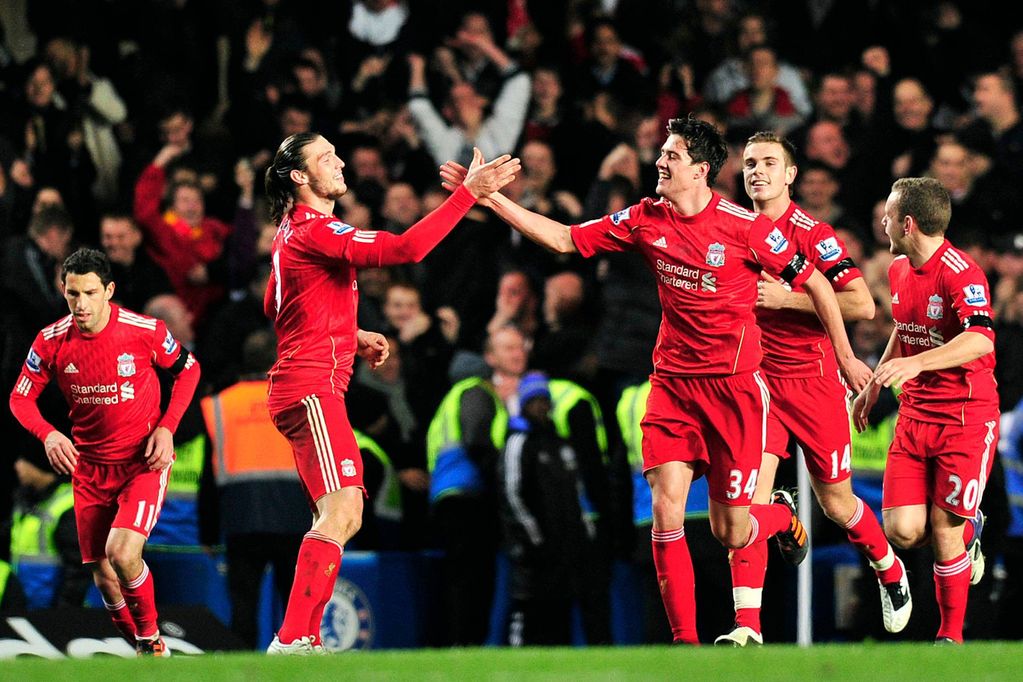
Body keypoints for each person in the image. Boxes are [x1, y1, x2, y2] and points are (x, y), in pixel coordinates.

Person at [441, 115, 872, 643]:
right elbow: (564, 238)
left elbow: (822, 289)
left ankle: (779, 516)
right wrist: (490, 201)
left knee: (731, 530)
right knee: (666, 508)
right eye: (662, 153)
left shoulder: (747, 228)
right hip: (672, 386)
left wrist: (846, 358)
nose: (660, 162)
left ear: (701, 170)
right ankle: (684, 644)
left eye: (671, 156)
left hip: (735, 392)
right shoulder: (646, 218)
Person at [261, 132, 518, 654]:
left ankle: (299, 637)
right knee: (344, 512)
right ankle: (294, 638)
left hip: (304, 384)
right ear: (300, 177)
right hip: (311, 389)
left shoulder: (290, 233)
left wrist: (347, 335)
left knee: (335, 513)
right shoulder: (316, 230)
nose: (339, 161)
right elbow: (407, 248)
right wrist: (467, 195)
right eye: (325, 157)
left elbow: (275, 302)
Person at [715, 132, 909, 647]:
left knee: (838, 505)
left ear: (790, 175)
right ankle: (747, 627)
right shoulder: (732, 228)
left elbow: (863, 305)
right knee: (742, 511)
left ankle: (889, 569)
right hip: (756, 385)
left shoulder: (813, 233)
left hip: (814, 383)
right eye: (750, 163)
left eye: (769, 163)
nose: (757, 171)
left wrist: (788, 299)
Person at [8, 247, 201, 656]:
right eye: (73, 294)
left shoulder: (143, 330)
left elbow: (189, 370)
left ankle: (152, 643)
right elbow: (20, 399)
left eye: (91, 293)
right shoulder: (51, 341)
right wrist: (49, 435)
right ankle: (144, 653)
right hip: (91, 470)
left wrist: (167, 429)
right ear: (64, 291)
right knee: (103, 576)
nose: (81, 304)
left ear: (109, 290)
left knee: (122, 552)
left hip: (141, 464)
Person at [853, 177, 998, 644]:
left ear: (907, 223)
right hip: (915, 416)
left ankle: (949, 637)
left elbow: (980, 337)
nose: (883, 222)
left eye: (889, 215)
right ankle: (970, 524)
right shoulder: (898, 270)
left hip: (965, 417)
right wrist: (879, 379)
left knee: (944, 529)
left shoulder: (962, 272)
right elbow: (905, 326)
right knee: (902, 530)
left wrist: (914, 363)